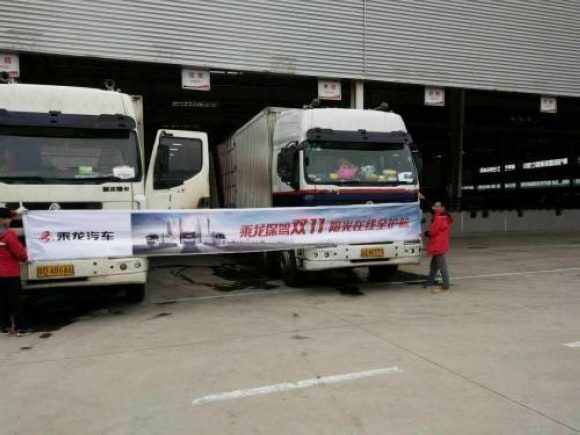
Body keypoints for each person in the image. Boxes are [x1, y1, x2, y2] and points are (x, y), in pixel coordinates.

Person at [0, 208, 33, 336]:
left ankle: (4, 327)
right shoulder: (9, 235)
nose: (10, 220)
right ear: (2, 219)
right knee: (15, 301)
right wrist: (25, 259)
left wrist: (15, 212)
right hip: (10, 274)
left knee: (2, 301)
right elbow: (19, 252)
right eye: (8, 218)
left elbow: (4, 215)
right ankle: (21, 328)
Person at [420, 195, 453, 293]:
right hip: (438, 244)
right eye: (435, 206)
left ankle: (445, 285)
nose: (435, 208)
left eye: (438, 206)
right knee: (434, 266)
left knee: (442, 267)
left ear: (443, 208)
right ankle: (429, 283)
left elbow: (432, 232)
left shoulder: (440, 218)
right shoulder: (443, 216)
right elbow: (431, 207)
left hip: (438, 245)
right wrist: (424, 198)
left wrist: (426, 233)